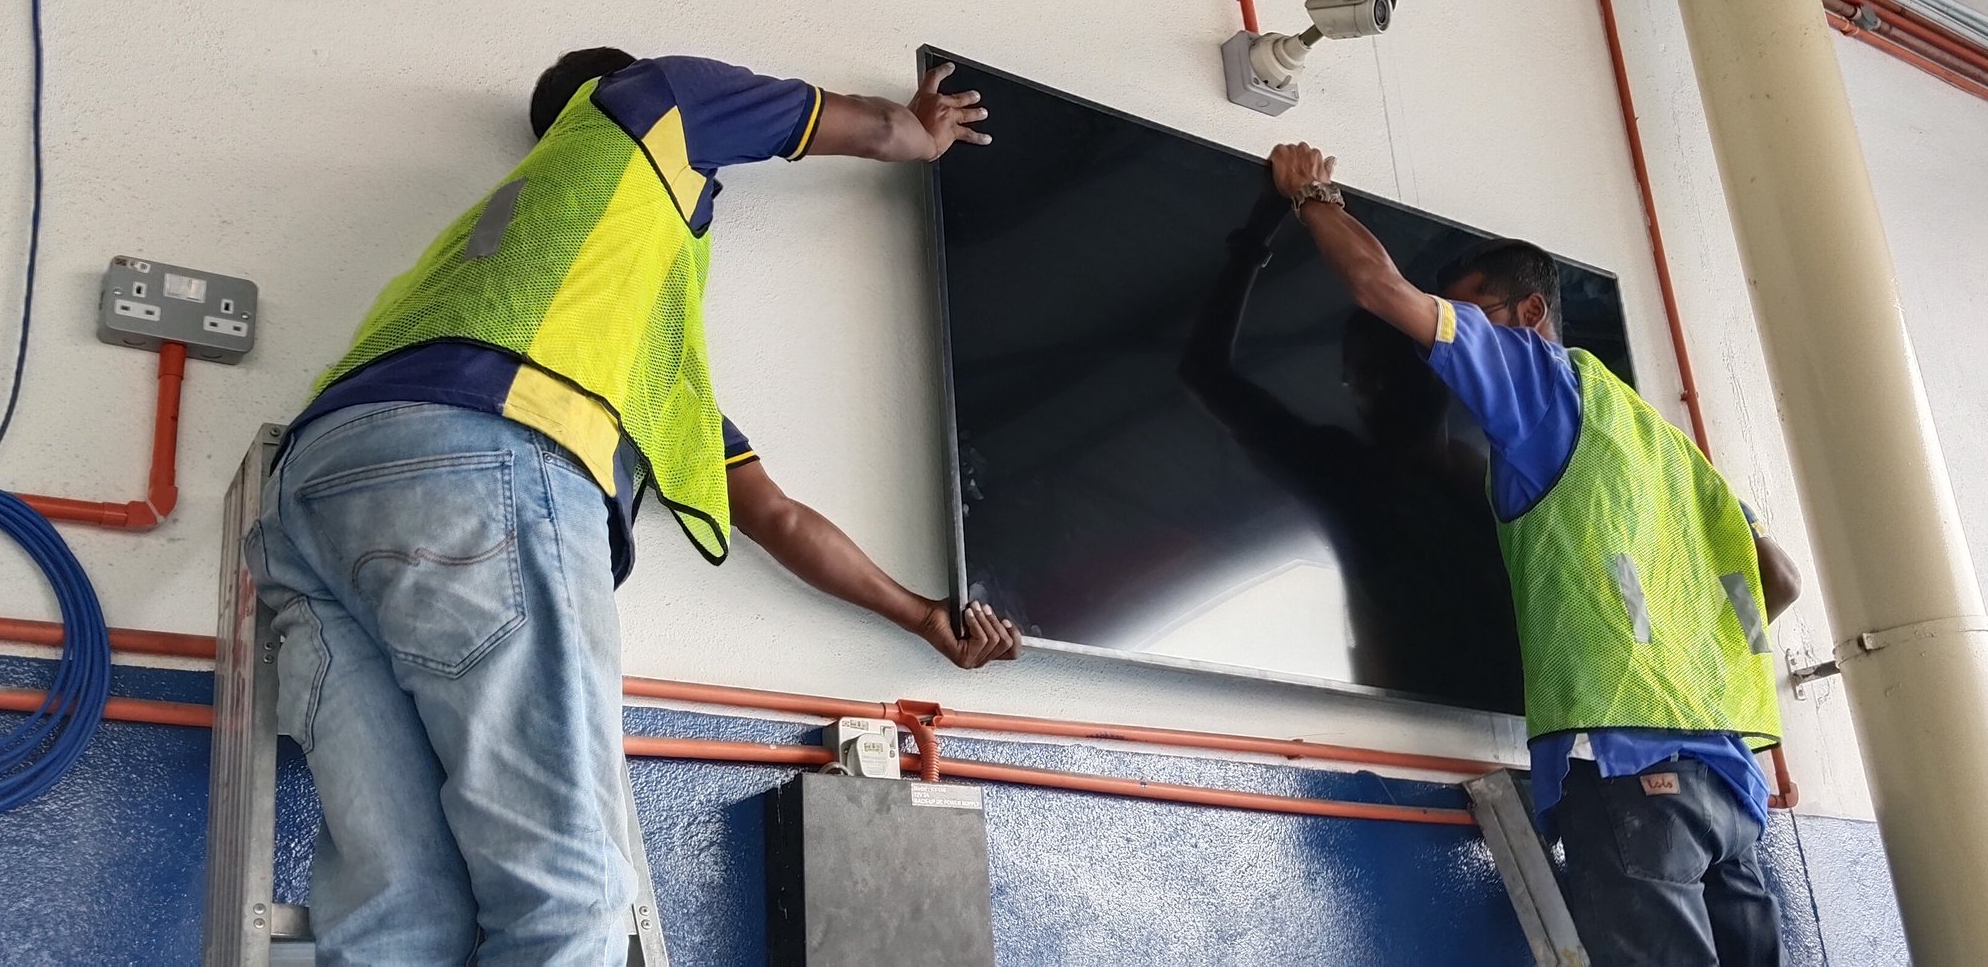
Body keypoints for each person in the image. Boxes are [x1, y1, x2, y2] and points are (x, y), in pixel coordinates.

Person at [246, 50, 1020, 965]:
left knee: (400, 911)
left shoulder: (585, 318)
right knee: (565, 898)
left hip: (312, 496)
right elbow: (878, 125)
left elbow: (775, 516)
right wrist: (921, 136)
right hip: (484, 454)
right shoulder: (653, 97)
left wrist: (924, 616)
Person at [1270, 141, 1801, 965]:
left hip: (1629, 766)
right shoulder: (1663, 442)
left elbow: (1380, 290)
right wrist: (1680, 648)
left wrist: (1312, 196)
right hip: (1730, 777)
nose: (1445, 343)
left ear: (1524, 316)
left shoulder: (1543, 384)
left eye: (1470, 310)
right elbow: (1780, 581)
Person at [1177, 188, 1523, 711]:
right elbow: (1204, 372)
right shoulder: (1352, 476)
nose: (1381, 383)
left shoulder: (1498, 483)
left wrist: (1258, 234)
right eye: (1365, 372)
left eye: (1392, 364)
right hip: (1425, 731)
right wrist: (1253, 239)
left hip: (1529, 733)